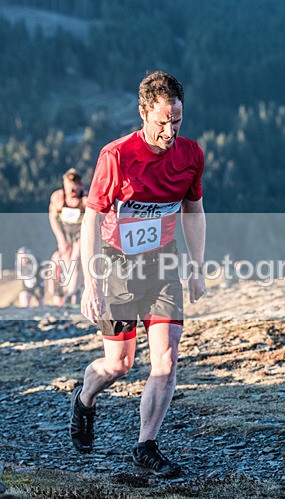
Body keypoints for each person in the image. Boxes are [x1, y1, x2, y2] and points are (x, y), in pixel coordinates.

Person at [70, 71, 207, 477]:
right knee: (119, 365)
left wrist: (197, 266)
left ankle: (146, 446)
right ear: (144, 113)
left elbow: (193, 210)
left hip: (163, 265)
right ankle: (85, 398)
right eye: (162, 122)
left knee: (166, 359)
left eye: (177, 121)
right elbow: (92, 220)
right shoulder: (116, 156)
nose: (169, 131)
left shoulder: (190, 155)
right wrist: (91, 283)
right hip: (118, 267)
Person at [49, 168, 87, 306]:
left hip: (81, 234)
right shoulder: (58, 198)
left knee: (76, 259)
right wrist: (60, 239)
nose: (71, 191)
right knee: (59, 259)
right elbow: (53, 218)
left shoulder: (85, 201)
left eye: (74, 187)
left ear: (80, 186)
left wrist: (82, 241)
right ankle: (59, 294)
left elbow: (92, 223)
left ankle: (71, 294)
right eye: (68, 187)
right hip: (66, 234)